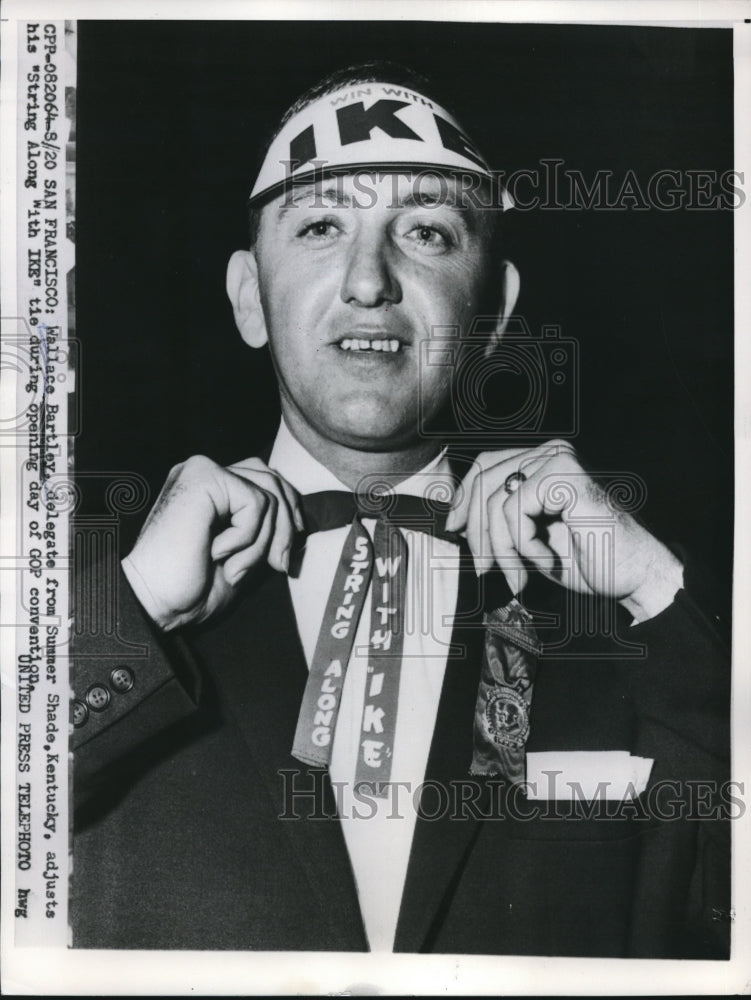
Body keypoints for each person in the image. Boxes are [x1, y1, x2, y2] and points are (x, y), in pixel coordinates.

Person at [70, 63, 730, 957]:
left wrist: (655, 587)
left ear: (492, 312)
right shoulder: (101, 597)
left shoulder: (626, 621)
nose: (368, 280)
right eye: (320, 226)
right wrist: (137, 609)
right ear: (248, 298)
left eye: (425, 231)